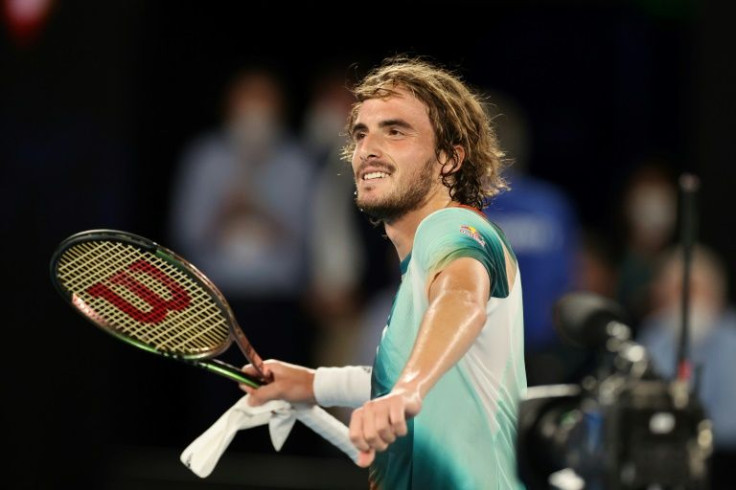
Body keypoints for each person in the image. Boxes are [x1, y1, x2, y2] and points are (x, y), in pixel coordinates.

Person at [239, 55, 528, 489]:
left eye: (395, 131)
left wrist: (406, 392)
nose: (368, 148)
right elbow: (404, 371)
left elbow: (463, 298)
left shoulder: (451, 228)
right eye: (361, 133)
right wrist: (314, 384)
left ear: (449, 159)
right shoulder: (417, 273)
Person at [636, 244, 736, 489]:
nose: (685, 301)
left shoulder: (731, 339)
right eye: (676, 291)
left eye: (694, 291)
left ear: (715, 293)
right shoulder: (654, 335)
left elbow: (730, 424)